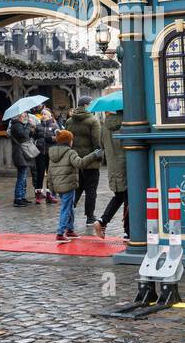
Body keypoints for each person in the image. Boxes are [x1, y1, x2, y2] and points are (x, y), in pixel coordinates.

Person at [46, 129, 103, 241]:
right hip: (68, 185)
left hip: (58, 186)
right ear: (68, 141)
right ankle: (60, 233)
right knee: (66, 208)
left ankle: (70, 230)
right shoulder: (70, 152)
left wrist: (51, 188)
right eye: (71, 140)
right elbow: (80, 163)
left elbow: (50, 172)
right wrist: (93, 155)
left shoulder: (52, 153)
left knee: (70, 207)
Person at [67, 97, 102, 230]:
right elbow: (97, 143)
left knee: (78, 187)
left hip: (75, 160)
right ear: (86, 105)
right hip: (90, 161)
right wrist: (99, 158)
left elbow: (68, 139)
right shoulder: (93, 121)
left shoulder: (69, 121)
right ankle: (90, 216)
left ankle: (69, 211)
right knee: (91, 189)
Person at [92, 110, 128, 239]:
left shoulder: (104, 125)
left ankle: (102, 221)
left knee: (119, 196)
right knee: (129, 198)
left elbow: (101, 145)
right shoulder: (128, 122)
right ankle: (128, 231)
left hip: (113, 166)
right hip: (128, 165)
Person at [7, 111, 36, 206]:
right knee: (21, 177)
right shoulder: (16, 125)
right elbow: (23, 135)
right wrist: (28, 125)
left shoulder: (19, 125)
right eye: (24, 115)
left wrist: (30, 128)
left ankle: (22, 197)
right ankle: (18, 198)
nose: (26, 116)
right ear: (19, 116)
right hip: (19, 154)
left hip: (21, 153)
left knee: (23, 177)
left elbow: (26, 136)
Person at [31, 108, 58, 203]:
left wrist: (52, 138)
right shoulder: (38, 126)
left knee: (50, 174)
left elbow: (59, 137)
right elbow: (32, 138)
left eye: (45, 114)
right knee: (40, 173)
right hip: (40, 153)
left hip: (50, 153)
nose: (43, 116)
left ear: (50, 116)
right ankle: (38, 195)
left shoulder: (55, 126)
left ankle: (49, 194)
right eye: (42, 114)